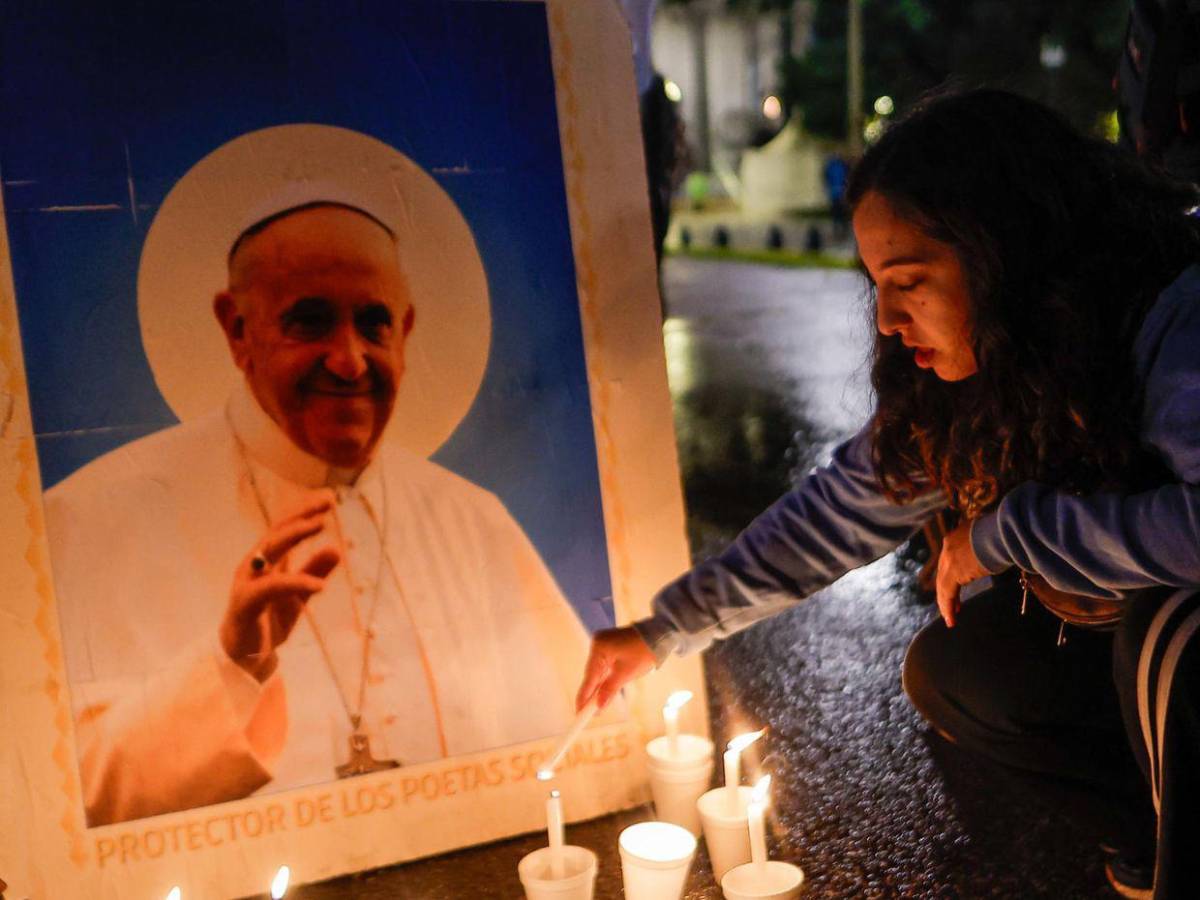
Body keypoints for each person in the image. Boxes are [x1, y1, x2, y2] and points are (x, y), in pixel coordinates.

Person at [576, 89, 1200, 900]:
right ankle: (1146, 837)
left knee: (1168, 635)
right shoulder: (984, 370)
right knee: (957, 671)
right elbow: (835, 513)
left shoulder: (1172, 321)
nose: (890, 319)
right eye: (876, 285)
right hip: (1129, 642)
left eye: (909, 281)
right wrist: (661, 631)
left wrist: (1010, 531)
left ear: (1005, 253)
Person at [47, 200, 591, 826]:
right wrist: (232, 663)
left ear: (406, 332)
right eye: (310, 321)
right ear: (237, 330)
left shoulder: (470, 516)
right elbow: (67, 804)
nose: (349, 360)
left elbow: (569, 757)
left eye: (374, 323)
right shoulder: (93, 516)